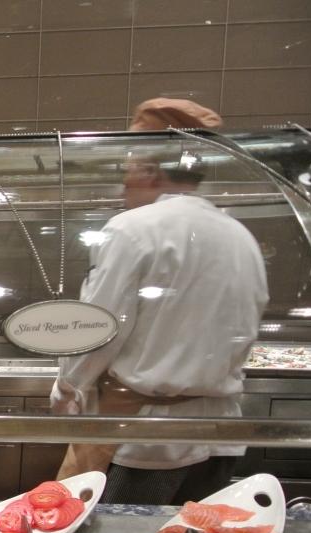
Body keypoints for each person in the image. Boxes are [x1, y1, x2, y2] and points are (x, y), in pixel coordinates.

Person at [51, 146, 269, 504]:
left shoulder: (132, 228)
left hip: (145, 439)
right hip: (220, 435)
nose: (122, 187)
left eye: (126, 173)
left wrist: (67, 391)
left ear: (149, 171)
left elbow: (97, 328)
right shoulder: (240, 235)